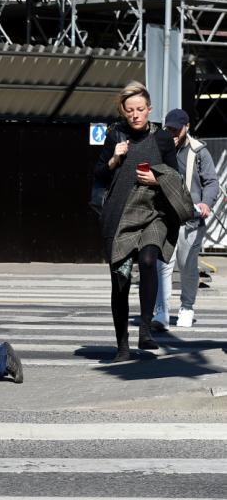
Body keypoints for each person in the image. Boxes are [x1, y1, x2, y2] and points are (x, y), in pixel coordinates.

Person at [94, 82, 193, 362]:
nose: (135, 115)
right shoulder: (115, 135)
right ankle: (122, 346)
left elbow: (175, 176)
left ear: (149, 109)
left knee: (149, 260)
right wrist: (115, 158)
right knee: (121, 281)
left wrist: (157, 179)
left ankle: (146, 328)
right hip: (120, 216)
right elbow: (99, 175)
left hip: (153, 213)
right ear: (123, 112)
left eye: (140, 109)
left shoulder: (162, 138)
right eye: (130, 110)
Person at [152, 109, 219, 329]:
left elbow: (211, 182)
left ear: (187, 127)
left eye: (176, 129)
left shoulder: (199, 151)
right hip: (165, 217)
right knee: (163, 265)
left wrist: (206, 203)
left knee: (188, 266)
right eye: (168, 128)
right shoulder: (159, 147)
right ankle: (161, 311)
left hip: (191, 220)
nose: (171, 132)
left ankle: (187, 307)